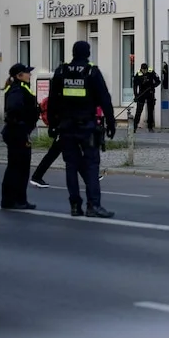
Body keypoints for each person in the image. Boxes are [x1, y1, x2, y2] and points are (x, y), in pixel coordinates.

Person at [47, 40, 117, 218]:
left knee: (71, 166)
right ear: (87, 53)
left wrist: (53, 125)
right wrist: (111, 123)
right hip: (88, 126)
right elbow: (105, 99)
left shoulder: (61, 71)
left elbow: (53, 100)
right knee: (92, 166)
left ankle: (75, 206)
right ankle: (93, 206)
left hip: (66, 127)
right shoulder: (92, 71)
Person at [0, 63, 40, 210]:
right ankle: (16, 200)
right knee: (19, 168)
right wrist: (23, 127)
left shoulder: (18, 87)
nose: (30, 75)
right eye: (27, 73)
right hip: (18, 132)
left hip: (17, 131)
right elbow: (14, 109)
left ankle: (12, 200)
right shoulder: (18, 89)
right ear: (19, 76)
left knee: (15, 167)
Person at [132, 63, 161, 132]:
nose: (144, 71)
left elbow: (158, 81)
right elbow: (135, 86)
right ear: (141, 69)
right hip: (141, 94)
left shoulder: (151, 72)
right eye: (143, 70)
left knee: (150, 111)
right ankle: (134, 127)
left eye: (145, 70)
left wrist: (153, 86)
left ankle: (150, 127)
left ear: (147, 69)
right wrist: (136, 95)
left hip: (150, 93)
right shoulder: (138, 74)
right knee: (139, 111)